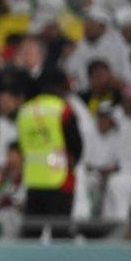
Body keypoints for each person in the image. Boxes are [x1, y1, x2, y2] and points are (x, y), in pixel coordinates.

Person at [17, 69, 83, 238]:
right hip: (59, 178)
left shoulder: (25, 111)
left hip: (33, 179)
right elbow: (76, 145)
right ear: (60, 86)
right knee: (60, 233)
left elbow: (23, 145)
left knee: (30, 235)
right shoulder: (62, 110)